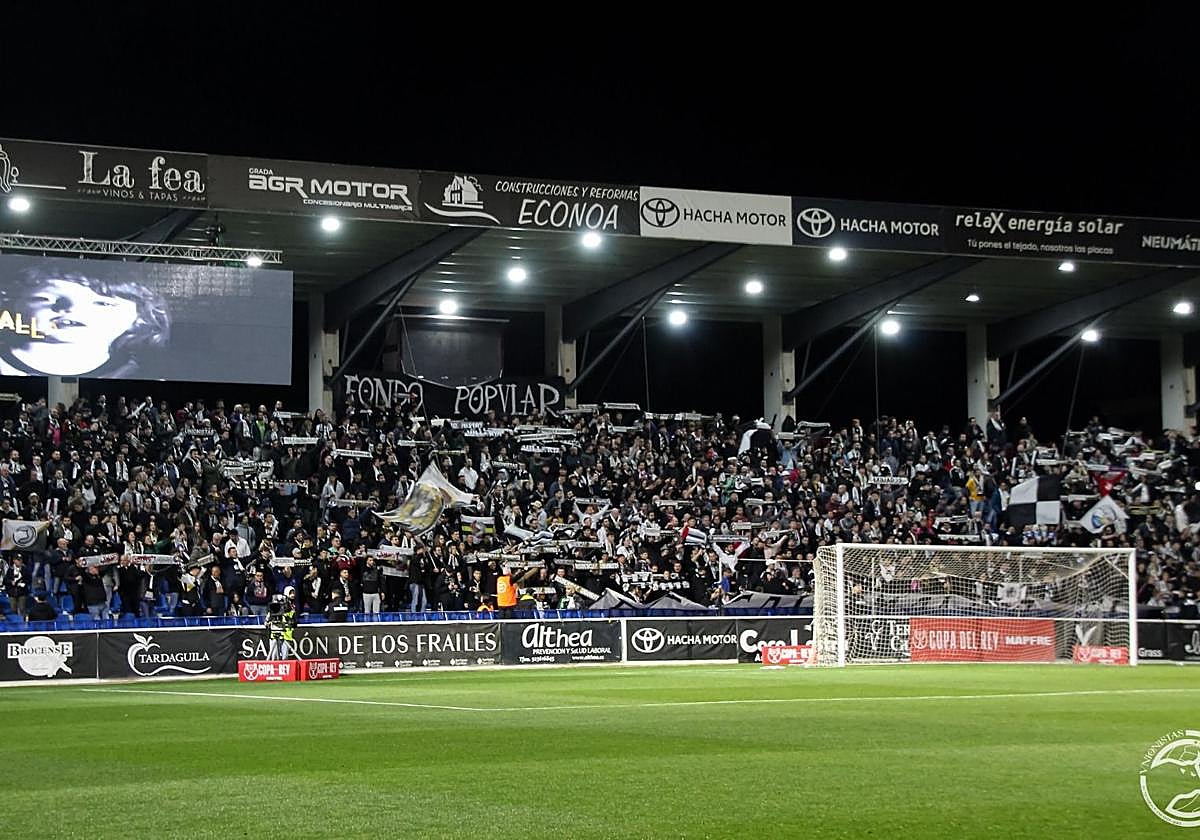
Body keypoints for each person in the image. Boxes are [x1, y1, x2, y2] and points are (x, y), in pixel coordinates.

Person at [0, 268, 170, 377]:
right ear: (14, 303)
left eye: (103, 303)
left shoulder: (138, 376)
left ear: (139, 320)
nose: (70, 308)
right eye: (45, 298)